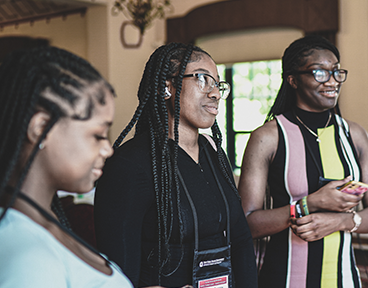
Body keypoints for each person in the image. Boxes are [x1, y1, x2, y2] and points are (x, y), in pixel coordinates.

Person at [94, 43, 257, 287]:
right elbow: (119, 270)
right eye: (203, 79)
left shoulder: (213, 153)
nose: (214, 93)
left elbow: (241, 239)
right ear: (166, 87)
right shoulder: (130, 163)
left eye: (218, 84)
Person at [238, 35, 368, 288]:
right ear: (293, 80)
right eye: (319, 72)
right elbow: (246, 224)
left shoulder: (355, 135)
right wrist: (309, 204)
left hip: (344, 279)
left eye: (336, 71)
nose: (332, 81)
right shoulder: (267, 137)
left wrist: (340, 221)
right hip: (284, 278)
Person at [0, 47, 133, 287]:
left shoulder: (43, 220)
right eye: (98, 135)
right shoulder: (28, 259)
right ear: (41, 129)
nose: (108, 149)